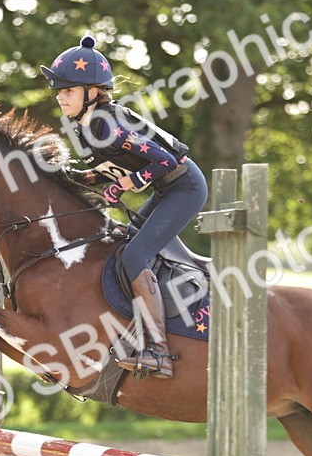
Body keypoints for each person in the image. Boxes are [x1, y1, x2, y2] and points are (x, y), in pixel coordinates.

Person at [40, 35, 208, 379]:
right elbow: (107, 171)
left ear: (92, 92)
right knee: (124, 245)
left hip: (185, 186)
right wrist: (68, 177)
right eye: (59, 90)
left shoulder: (107, 124)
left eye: (68, 90)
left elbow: (165, 161)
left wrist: (125, 185)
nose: (60, 96)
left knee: (134, 256)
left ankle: (160, 352)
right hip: (167, 188)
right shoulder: (88, 126)